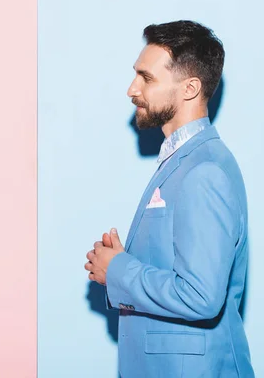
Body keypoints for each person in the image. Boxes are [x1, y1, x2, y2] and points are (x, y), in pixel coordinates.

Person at [85, 20, 254, 377]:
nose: (132, 88)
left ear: (190, 88)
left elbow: (201, 295)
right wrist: (124, 261)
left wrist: (118, 270)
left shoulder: (204, 171)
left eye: (147, 78)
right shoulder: (184, 160)